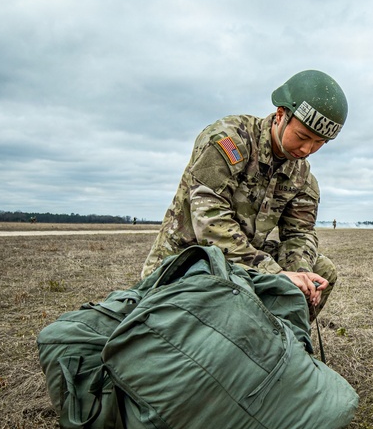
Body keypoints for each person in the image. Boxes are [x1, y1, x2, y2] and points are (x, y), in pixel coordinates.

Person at [141, 70, 347, 318]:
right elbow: (210, 221)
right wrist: (274, 273)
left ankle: (282, 346)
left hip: (244, 265)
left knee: (321, 270)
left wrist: (300, 275)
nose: (307, 149)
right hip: (189, 262)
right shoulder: (228, 141)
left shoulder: (302, 176)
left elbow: (300, 233)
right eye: (303, 137)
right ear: (281, 115)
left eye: (319, 143)